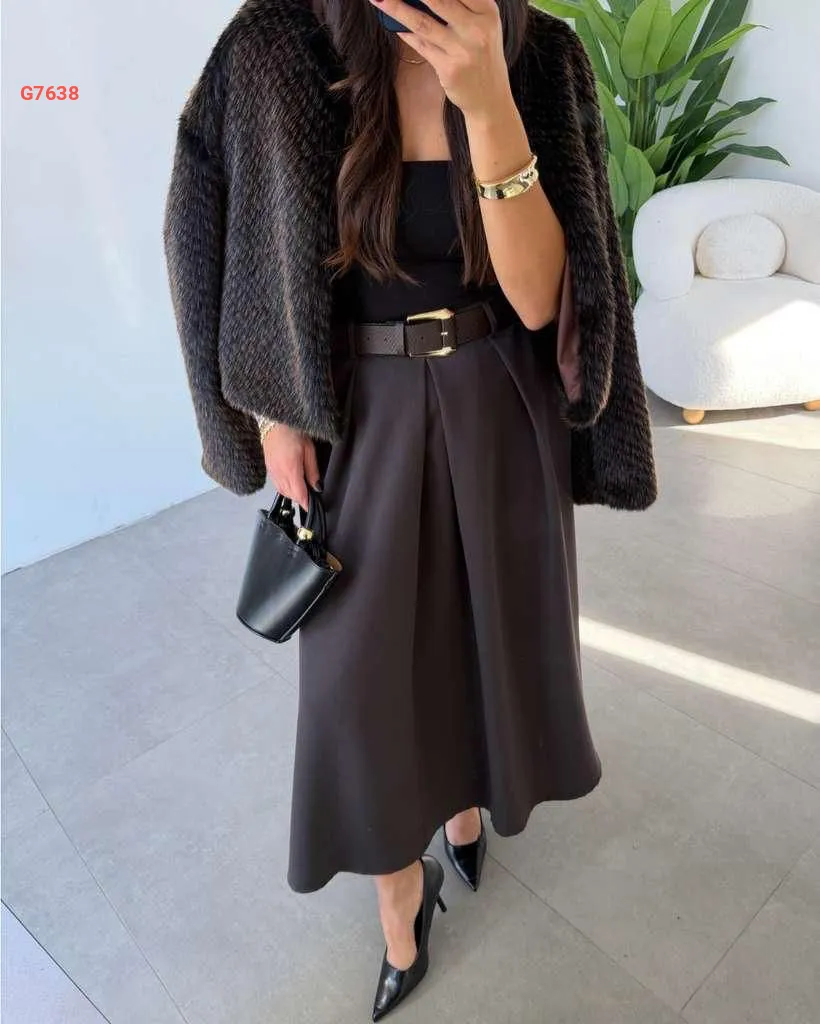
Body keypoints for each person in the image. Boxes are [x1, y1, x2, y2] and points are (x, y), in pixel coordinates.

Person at [162, 0, 657, 1018]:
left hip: (499, 401)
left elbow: (542, 300)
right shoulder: (273, 47)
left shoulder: (542, 54)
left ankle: (465, 812)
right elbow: (205, 230)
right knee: (364, 682)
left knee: (486, 639)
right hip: (357, 415)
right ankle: (401, 892)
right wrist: (270, 410)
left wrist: (489, 101)